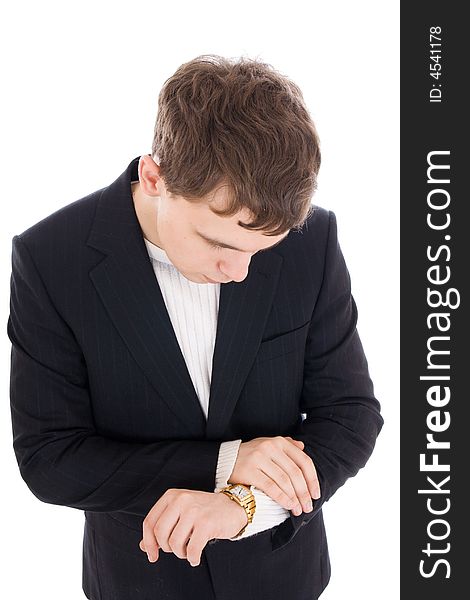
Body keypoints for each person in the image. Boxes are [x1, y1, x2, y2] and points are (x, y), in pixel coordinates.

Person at [7, 54, 384, 600]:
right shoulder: (49, 259)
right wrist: (228, 462)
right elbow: (50, 460)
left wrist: (244, 506)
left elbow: (350, 417)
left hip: (283, 578)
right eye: (221, 244)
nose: (240, 273)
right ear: (155, 178)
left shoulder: (313, 239)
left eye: (262, 250)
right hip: (139, 583)